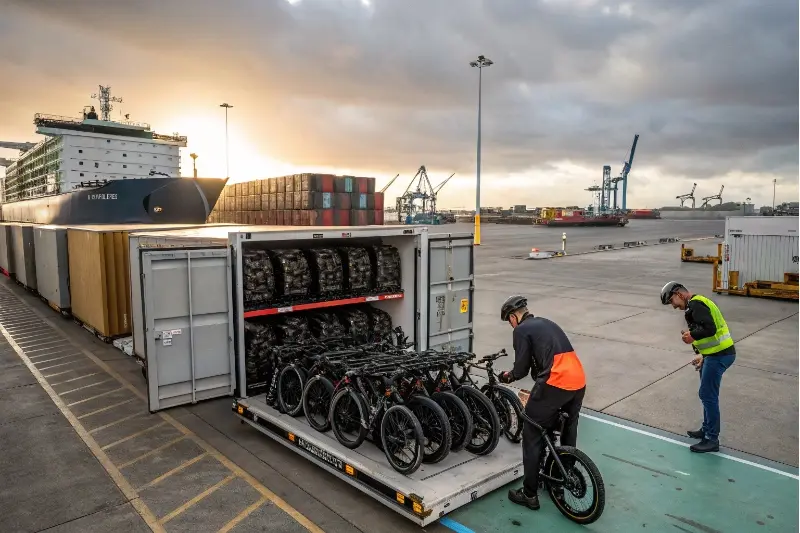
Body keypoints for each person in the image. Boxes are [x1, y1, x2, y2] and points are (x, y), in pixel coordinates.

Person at [497, 295, 586, 510]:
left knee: (532, 431)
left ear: (513, 317)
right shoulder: (546, 323)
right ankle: (560, 478)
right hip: (578, 381)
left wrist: (507, 376)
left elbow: (521, 369)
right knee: (567, 429)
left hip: (556, 382)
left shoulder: (521, 330)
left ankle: (529, 494)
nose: (511, 324)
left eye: (509, 321)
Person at [661, 281, 736, 453]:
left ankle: (711, 439)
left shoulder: (696, 304)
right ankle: (706, 429)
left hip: (720, 355)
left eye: (672, 301)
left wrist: (692, 336)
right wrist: (703, 355)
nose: (673, 306)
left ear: (679, 294)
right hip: (714, 354)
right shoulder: (695, 304)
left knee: (708, 395)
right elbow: (709, 333)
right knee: (706, 394)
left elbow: (710, 329)